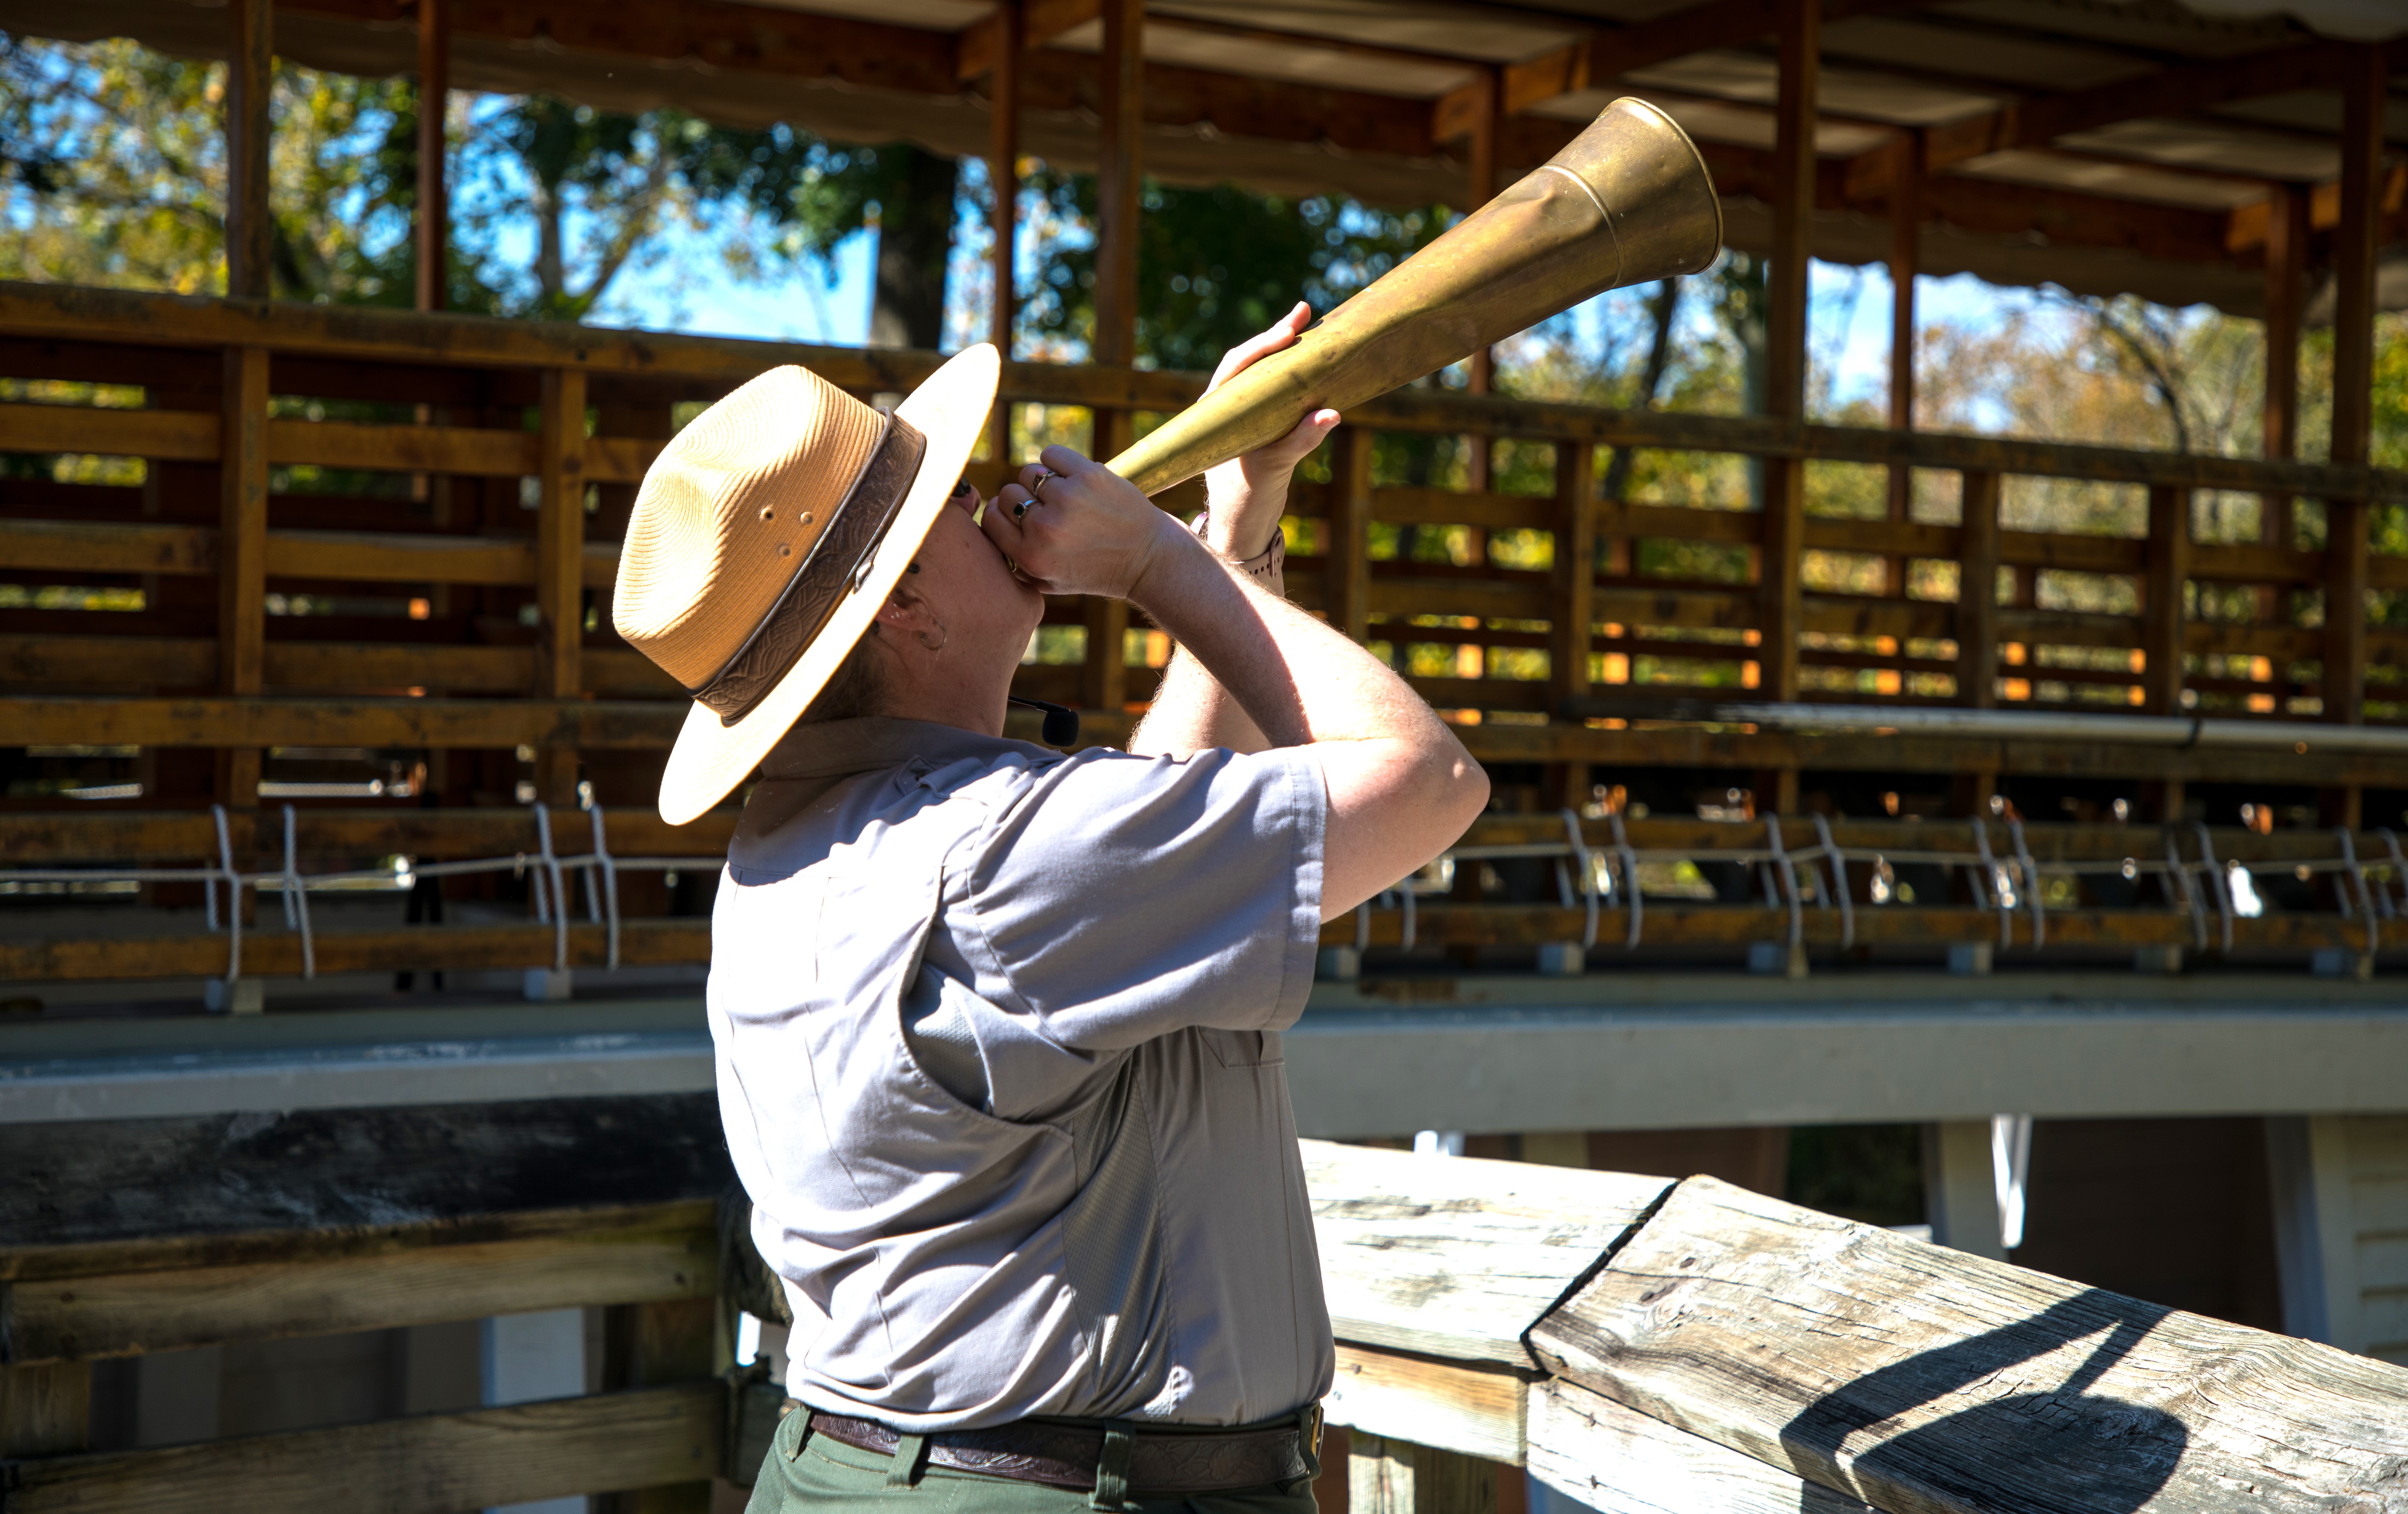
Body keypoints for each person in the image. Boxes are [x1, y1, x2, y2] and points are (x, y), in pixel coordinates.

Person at [611, 305, 1487, 1512]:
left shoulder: (814, 839)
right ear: (910, 599)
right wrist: (1155, 567)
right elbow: (1429, 780)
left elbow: (1136, 862)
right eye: (952, 498)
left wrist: (1230, 538)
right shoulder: (994, 853)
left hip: (865, 1471)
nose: (991, 506)